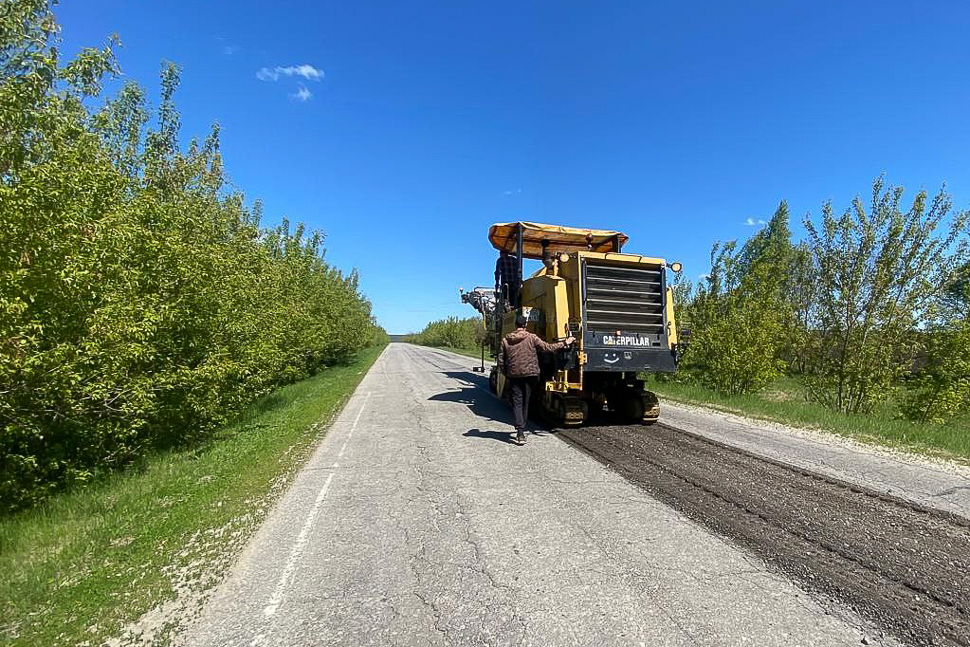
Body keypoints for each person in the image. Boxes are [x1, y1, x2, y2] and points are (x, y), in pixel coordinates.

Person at [497, 314, 575, 445]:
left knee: (517, 402)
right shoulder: (532, 337)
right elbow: (547, 348)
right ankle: (522, 429)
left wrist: (507, 373)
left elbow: (500, 360)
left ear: (515, 325)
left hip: (514, 375)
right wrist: (565, 343)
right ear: (525, 325)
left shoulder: (505, 340)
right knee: (526, 401)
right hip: (530, 375)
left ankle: (520, 432)